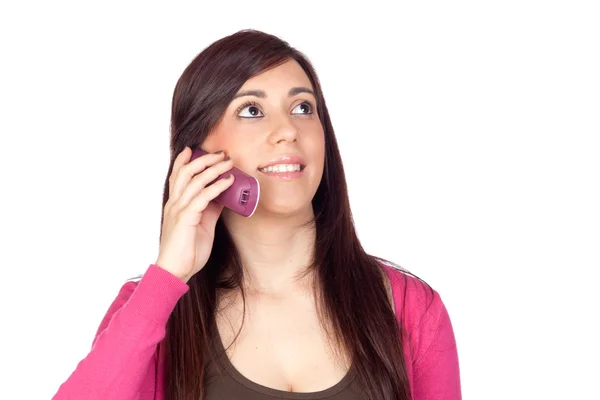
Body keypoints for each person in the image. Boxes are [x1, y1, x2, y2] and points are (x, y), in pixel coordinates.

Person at [52, 29, 461, 400]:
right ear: (197, 153)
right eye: (251, 110)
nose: (288, 130)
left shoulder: (410, 308)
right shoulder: (151, 310)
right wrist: (169, 275)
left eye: (303, 107)